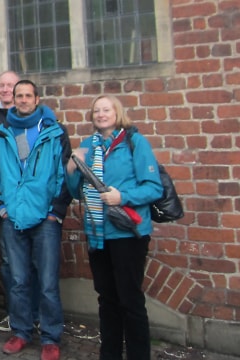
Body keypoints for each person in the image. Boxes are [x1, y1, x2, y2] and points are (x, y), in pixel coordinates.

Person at [65, 95, 162, 360]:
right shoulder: (88, 145)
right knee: (107, 300)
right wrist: (72, 168)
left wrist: (123, 196)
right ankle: (109, 354)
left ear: (117, 113)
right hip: (98, 234)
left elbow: (153, 187)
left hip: (127, 233)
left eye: (106, 109)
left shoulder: (134, 143)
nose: (101, 114)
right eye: (96, 110)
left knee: (129, 300)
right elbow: (77, 192)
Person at [0, 80, 71, 360]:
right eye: (19, 96)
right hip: (13, 217)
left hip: (45, 217)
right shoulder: (3, 134)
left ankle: (50, 336)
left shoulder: (54, 132)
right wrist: (2, 206)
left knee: (48, 281)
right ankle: (22, 331)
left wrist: (55, 212)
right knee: (17, 280)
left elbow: (65, 174)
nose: (23, 100)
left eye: (28, 96)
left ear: (37, 99)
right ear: (13, 100)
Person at [0, 70, 36, 333]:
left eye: (10, 86)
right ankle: (16, 314)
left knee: (33, 261)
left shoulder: (33, 119)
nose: (5, 89)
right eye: (1, 85)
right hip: (5, 203)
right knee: (7, 261)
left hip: (31, 202)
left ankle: (34, 313)